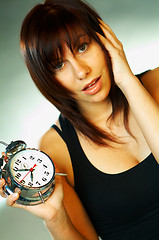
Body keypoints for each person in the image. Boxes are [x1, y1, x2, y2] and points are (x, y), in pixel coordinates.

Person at [0, 0, 159, 239]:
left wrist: (126, 80)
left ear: (104, 38)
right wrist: (55, 219)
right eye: (59, 64)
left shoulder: (156, 84)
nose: (80, 71)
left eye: (82, 47)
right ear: (47, 79)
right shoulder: (56, 149)